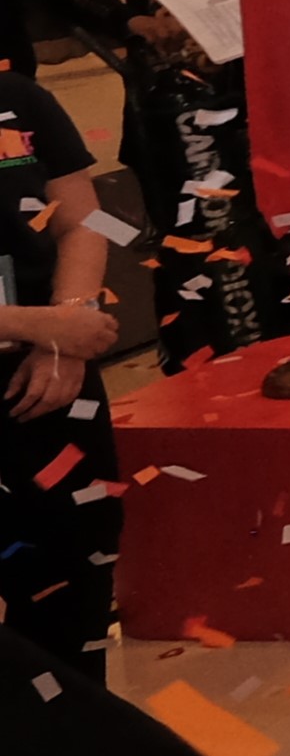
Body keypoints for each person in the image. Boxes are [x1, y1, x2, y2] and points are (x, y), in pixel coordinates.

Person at [86, 0, 285, 371]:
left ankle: (284, 346)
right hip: (181, 111)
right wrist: (135, 24)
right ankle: (205, 364)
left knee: (274, 231)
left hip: (268, 95)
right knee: (200, 238)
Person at [0, 46, 124, 682]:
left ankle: (73, 719)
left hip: (45, 375)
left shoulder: (19, 97)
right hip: (40, 337)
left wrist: (67, 327)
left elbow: (83, 221)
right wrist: (41, 327)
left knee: (76, 563)